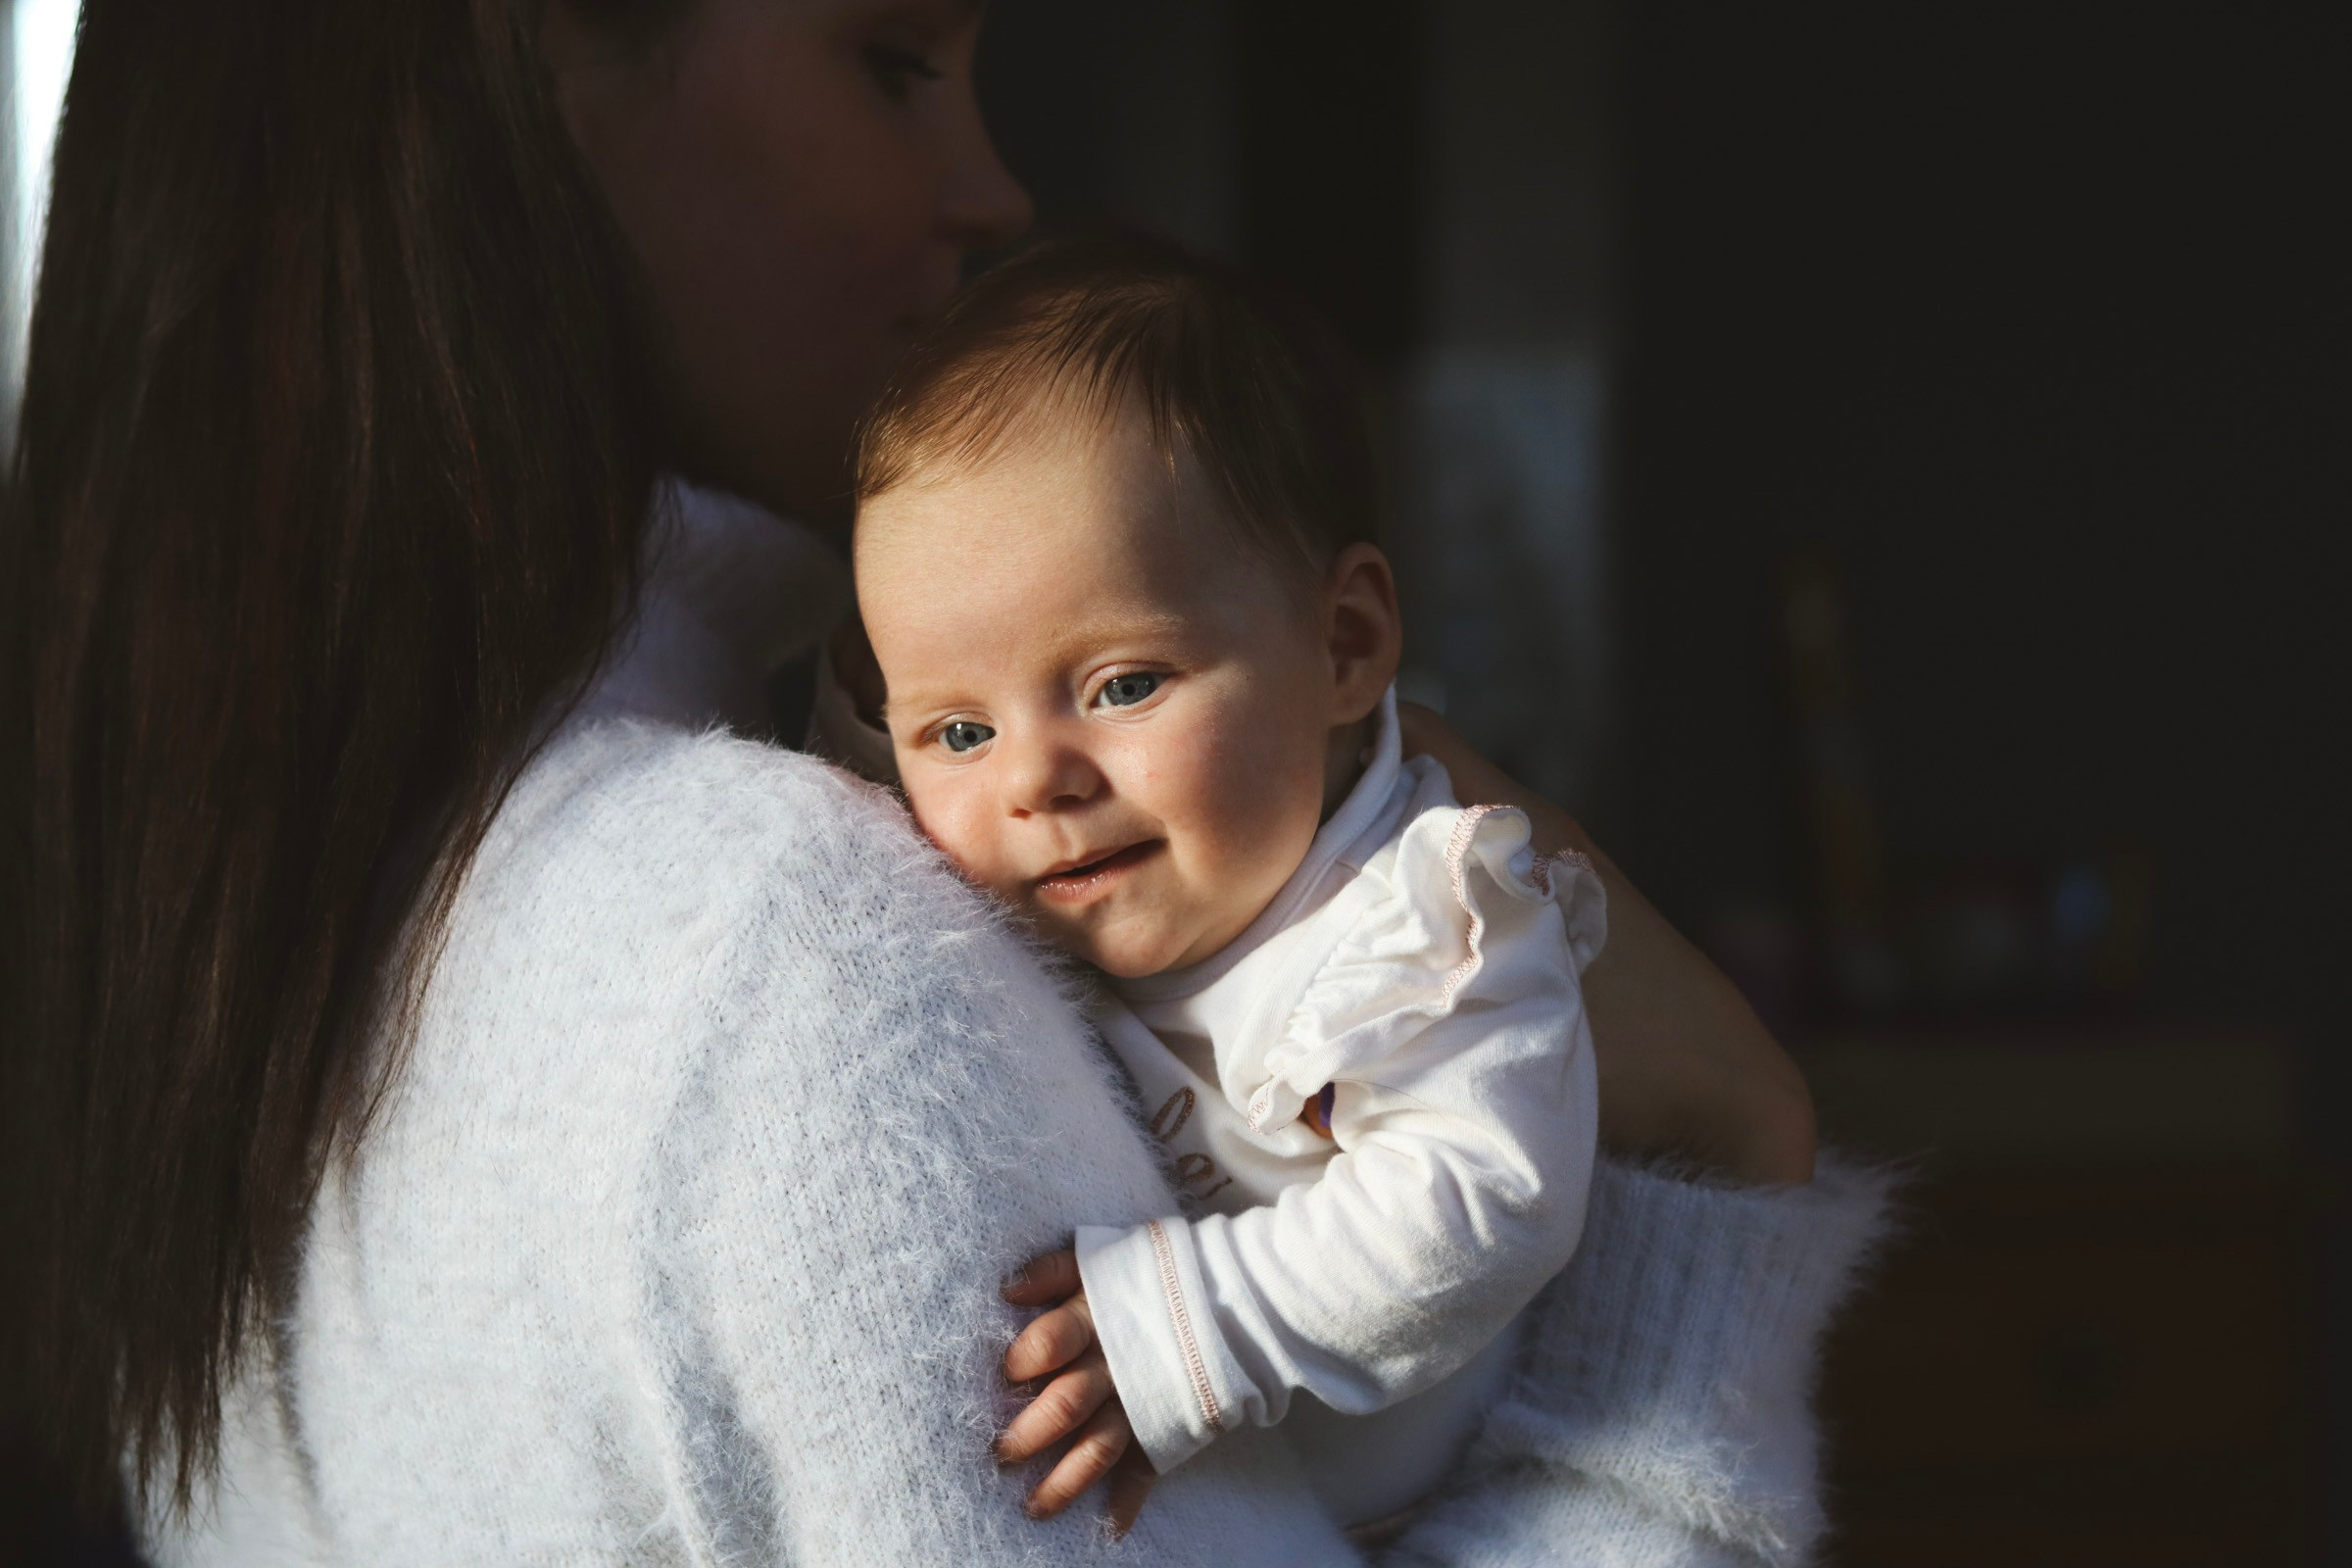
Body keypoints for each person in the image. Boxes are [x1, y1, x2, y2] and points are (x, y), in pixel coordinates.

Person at [1, 1, 1881, 1564]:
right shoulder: (786, 959)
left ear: (1350, 638)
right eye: (892, 60)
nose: (994, 188)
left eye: (1124, 683)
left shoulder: (262, 917)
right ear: (534, 83)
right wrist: (1706, 1207)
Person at [849, 236, 1607, 1533]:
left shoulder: (1416, 923)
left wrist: (1191, 1328)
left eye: (1123, 684)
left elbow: (1491, 1195)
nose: (1037, 781)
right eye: (958, 732)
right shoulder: (1010, 909)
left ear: (1344, 646)